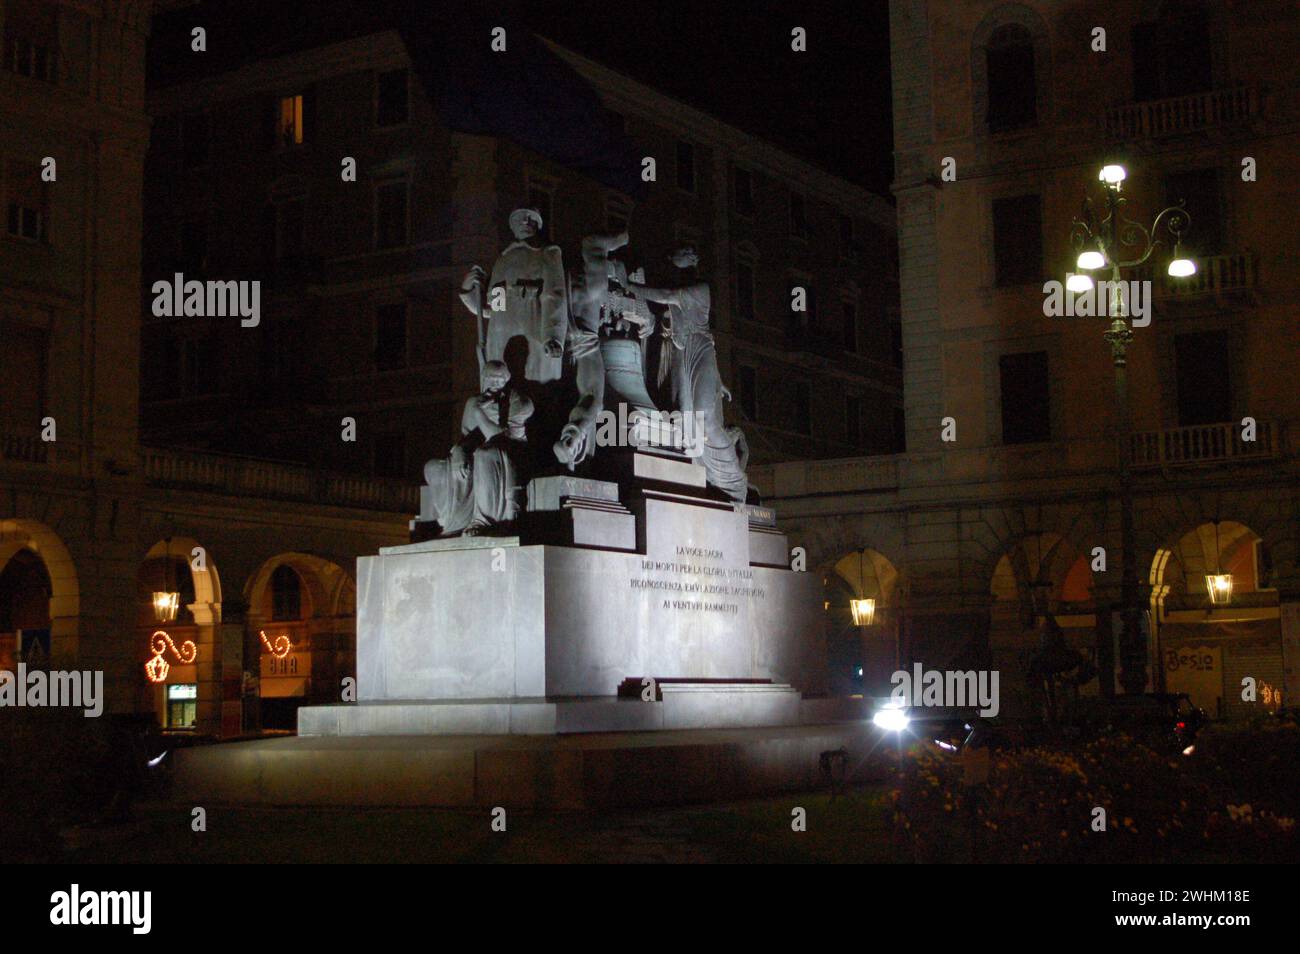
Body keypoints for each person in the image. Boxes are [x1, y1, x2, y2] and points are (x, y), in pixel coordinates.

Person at [630, 246, 749, 502]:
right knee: (685, 418)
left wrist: (629, 286)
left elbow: (667, 295)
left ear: (693, 261)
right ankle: (697, 472)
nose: (679, 257)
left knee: (705, 416)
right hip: (678, 352)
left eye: (686, 254)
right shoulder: (669, 288)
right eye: (678, 254)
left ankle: (732, 478)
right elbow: (658, 310)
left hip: (700, 347)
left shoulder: (700, 288)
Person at [422, 361, 533, 535]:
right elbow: (467, 438)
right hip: (478, 450)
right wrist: (459, 451)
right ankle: (452, 523)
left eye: (499, 380)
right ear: (483, 379)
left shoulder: (519, 402)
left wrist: (478, 412)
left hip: (508, 452)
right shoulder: (474, 401)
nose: (494, 384)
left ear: (507, 379)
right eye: (491, 379)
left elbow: (498, 437)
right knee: (434, 467)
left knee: (484, 454)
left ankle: (483, 520)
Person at [459, 208, 566, 383]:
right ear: (512, 226)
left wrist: (553, 336)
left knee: (535, 389)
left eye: (530, 218)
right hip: (500, 338)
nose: (525, 222)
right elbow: (496, 308)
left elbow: (555, 295)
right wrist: (467, 290)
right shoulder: (502, 259)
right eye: (519, 219)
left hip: (532, 329)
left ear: (538, 225)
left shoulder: (548, 253)